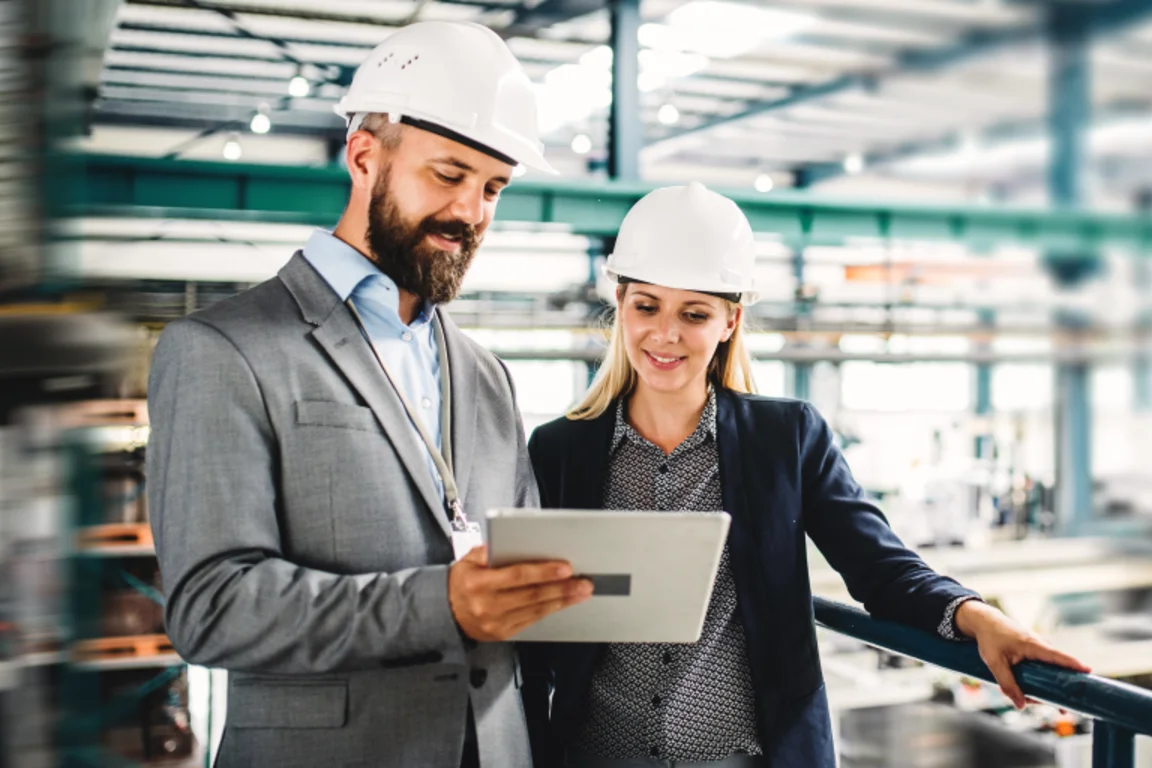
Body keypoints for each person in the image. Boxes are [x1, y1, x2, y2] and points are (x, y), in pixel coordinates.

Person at [521, 182, 1090, 768]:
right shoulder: (560, 450)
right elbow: (530, 613)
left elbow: (880, 566)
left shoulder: (786, 439)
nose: (665, 334)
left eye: (694, 314)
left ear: (729, 322)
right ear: (621, 304)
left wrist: (978, 616)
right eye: (647, 306)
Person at [146, 21, 591, 768]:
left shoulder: (486, 374)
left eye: (492, 189)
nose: (472, 213)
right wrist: (439, 604)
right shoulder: (225, 350)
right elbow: (211, 607)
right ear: (363, 157)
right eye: (448, 176)